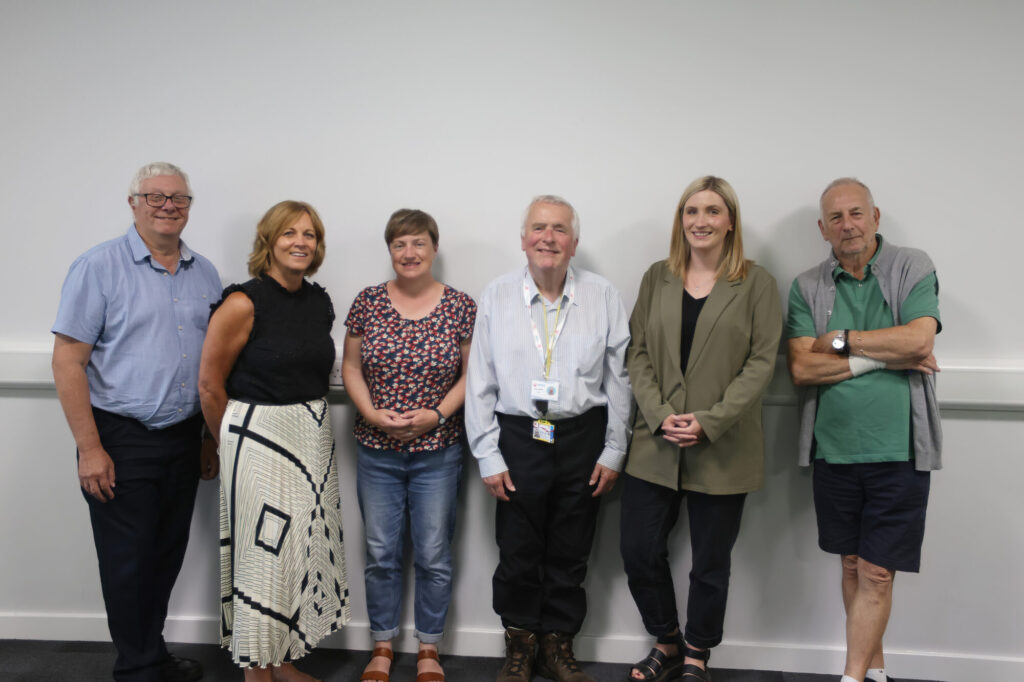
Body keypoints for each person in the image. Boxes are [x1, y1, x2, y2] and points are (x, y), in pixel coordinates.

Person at [51, 162, 221, 682]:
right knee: (128, 561)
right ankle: (138, 668)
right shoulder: (98, 266)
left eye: (179, 198)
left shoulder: (205, 273)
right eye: (155, 196)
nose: (168, 205)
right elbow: (68, 361)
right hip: (120, 438)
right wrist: (89, 448)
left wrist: (207, 438)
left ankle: (151, 654)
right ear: (133, 203)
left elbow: (211, 367)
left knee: (165, 554)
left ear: (189, 206)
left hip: (183, 438)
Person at [620, 176, 782, 682]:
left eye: (713, 211)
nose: (701, 221)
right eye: (691, 211)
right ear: (681, 220)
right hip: (656, 441)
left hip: (723, 445)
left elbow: (761, 363)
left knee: (710, 562)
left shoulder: (757, 283)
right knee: (638, 550)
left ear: (730, 221)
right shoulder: (657, 277)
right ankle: (666, 640)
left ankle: (697, 653)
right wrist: (659, 413)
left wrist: (709, 422)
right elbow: (637, 352)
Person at [465, 195, 631, 682]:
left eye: (559, 229)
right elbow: (480, 381)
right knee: (517, 548)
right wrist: (487, 454)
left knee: (571, 547)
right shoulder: (497, 295)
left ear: (574, 243)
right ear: (523, 240)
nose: (548, 238)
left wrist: (615, 449)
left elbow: (621, 379)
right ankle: (520, 643)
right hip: (518, 436)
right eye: (539, 227)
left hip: (583, 436)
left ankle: (558, 643)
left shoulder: (602, 295)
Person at [786, 178, 941, 682]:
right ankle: (874, 673)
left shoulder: (912, 266)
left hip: (899, 449)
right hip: (833, 451)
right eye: (836, 217)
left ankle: (850, 677)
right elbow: (802, 369)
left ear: (876, 217)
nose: (847, 225)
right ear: (823, 228)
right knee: (853, 564)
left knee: (877, 571)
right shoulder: (806, 286)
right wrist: (879, 358)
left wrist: (841, 339)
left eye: (856, 213)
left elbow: (918, 341)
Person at [198, 200, 351, 682]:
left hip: (311, 437)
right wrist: (232, 446)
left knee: (297, 553)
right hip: (257, 438)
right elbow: (209, 385)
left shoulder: (319, 302)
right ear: (269, 239)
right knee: (262, 558)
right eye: (289, 233)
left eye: (309, 234)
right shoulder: (243, 302)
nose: (300, 242)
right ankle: (257, 672)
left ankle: (281, 660)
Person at [341, 209, 476, 682]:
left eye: (418, 242)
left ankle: (428, 647)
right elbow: (351, 367)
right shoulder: (368, 302)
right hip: (376, 450)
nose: (409, 252)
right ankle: (382, 645)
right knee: (381, 552)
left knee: (433, 553)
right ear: (390, 251)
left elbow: (471, 374)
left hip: (438, 451)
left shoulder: (460, 306)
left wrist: (435, 415)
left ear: (434, 248)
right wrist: (372, 413)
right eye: (399, 244)